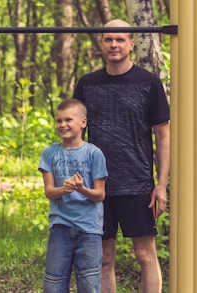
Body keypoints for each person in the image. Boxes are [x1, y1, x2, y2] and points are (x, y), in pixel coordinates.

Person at [72, 19, 170, 293]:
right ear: (102, 43)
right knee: (104, 258)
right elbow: (74, 134)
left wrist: (160, 185)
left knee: (145, 256)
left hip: (138, 184)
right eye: (108, 39)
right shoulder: (87, 84)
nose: (113, 44)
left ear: (131, 44)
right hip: (96, 186)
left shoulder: (148, 82)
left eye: (119, 39)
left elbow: (163, 134)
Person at [38, 99, 108, 293]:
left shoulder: (95, 154)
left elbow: (100, 194)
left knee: (89, 285)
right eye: (59, 121)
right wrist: (65, 188)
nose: (63, 125)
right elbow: (49, 192)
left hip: (89, 229)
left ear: (83, 122)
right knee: (54, 284)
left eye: (68, 119)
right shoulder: (50, 153)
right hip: (60, 227)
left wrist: (81, 189)